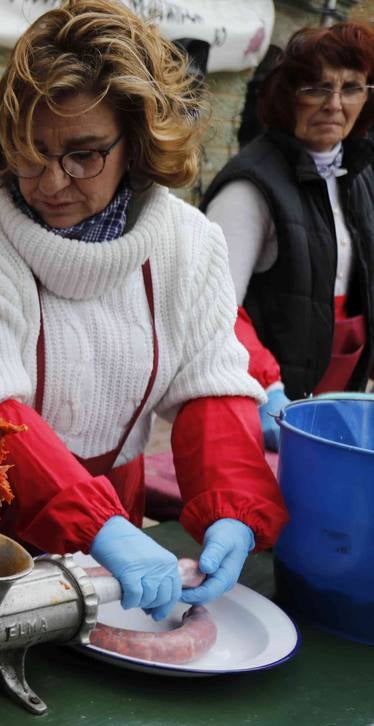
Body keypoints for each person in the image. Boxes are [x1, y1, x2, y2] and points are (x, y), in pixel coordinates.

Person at [0, 0, 288, 620]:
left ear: (137, 141)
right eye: (32, 152)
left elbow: (208, 383)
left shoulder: (188, 242)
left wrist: (231, 506)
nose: (52, 183)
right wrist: (98, 524)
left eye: (84, 154)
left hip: (116, 502)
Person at [202, 22, 373, 450]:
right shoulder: (249, 188)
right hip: (257, 406)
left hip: (333, 403)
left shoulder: (360, 174)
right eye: (316, 88)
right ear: (286, 96)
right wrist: (270, 395)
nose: (335, 104)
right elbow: (215, 309)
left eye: (351, 88)